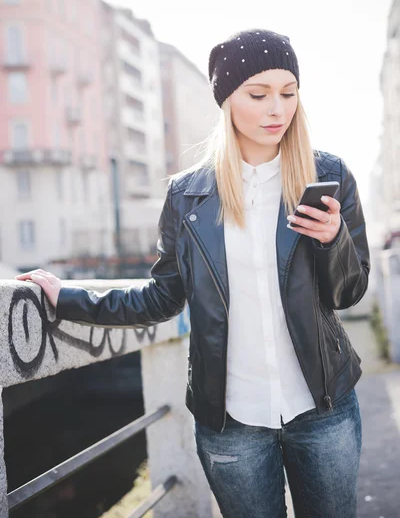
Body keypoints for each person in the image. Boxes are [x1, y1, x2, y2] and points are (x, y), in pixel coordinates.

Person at [16, 28, 370, 518]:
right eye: (258, 94)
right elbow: (161, 299)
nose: (277, 109)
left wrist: (334, 241)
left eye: (288, 93)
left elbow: (350, 292)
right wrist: (67, 298)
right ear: (227, 99)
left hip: (324, 411)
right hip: (231, 422)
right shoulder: (189, 196)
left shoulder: (326, 176)